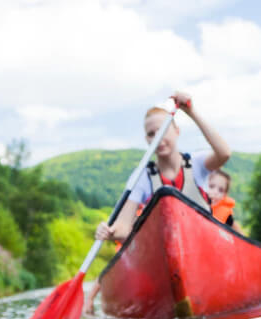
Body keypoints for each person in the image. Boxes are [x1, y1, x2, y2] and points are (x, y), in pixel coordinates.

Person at [94, 90, 232, 242]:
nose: (158, 138)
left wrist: (191, 112)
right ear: (147, 139)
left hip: (203, 244)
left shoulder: (196, 163)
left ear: (177, 131)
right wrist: (110, 231)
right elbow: (124, 226)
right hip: (166, 247)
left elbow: (224, 153)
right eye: (152, 134)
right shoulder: (142, 176)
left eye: (163, 130)